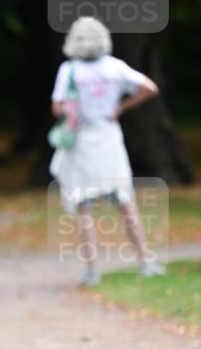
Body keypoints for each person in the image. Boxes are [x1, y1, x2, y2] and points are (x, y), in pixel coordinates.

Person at [49, 17, 164, 286]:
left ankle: (92, 270)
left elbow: (57, 108)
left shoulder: (69, 70)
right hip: (109, 139)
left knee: (83, 207)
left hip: (81, 142)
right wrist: (120, 107)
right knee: (126, 202)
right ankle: (146, 262)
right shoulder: (114, 67)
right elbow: (149, 88)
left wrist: (73, 110)